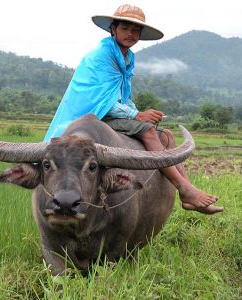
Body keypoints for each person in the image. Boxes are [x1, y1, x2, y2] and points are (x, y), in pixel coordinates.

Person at [44, 4, 223, 214]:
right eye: (125, 28)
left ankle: (187, 190)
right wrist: (138, 116)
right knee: (147, 130)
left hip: (108, 112)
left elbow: (122, 97)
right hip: (92, 115)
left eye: (135, 30)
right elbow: (104, 100)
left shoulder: (126, 57)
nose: (130, 34)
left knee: (165, 135)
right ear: (113, 29)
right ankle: (185, 189)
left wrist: (140, 113)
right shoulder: (102, 55)